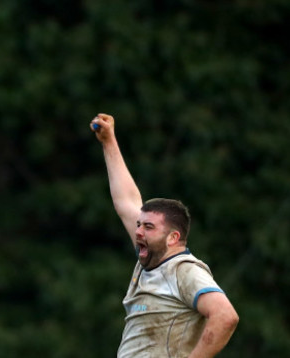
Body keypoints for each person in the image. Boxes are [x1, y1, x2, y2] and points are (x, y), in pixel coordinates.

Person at [91, 113, 239, 358]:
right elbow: (126, 201)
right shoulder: (149, 258)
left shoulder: (184, 271)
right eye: (139, 225)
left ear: (173, 238)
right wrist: (108, 141)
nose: (138, 231)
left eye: (148, 227)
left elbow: (226, 316)